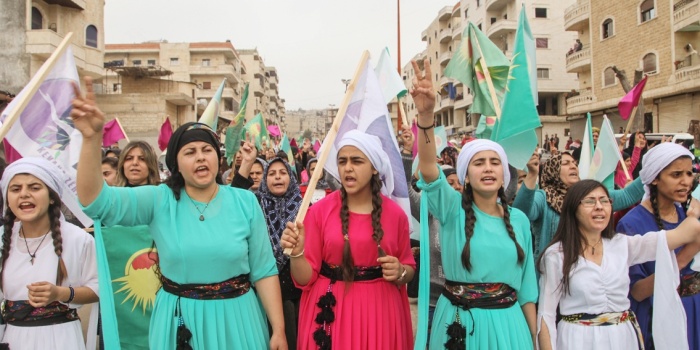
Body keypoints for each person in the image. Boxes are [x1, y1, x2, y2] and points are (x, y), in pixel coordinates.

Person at [70, 78, 287, 350]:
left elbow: (264, 271)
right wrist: (91, 139)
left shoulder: (244, 201)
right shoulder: (159, 199)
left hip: (239, 320)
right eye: (190, 152)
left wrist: (278, 329)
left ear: (217, 158)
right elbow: (95, 203)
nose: (200, 157)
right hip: (181, 324)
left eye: (207, 150)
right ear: (176, 164)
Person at [411, 58, 537, 349]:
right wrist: (426, 115)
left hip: (509, 328)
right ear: (466, 176)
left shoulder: (518, 220)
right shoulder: (452, 208)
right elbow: (429, 169)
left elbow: (527, 291)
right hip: (458, 326)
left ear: (505, 174)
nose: (488, 168)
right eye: (479, 163)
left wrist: (534, 339)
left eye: (495, 162)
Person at [280, 130, 415, 349]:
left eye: (357, 161)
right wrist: (296, 253)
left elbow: (409, 268)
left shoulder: (396, 215)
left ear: (374, 168)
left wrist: (399, 271)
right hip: (332, 314)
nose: (348, 168)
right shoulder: (319, 211)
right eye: (342, 161)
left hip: (380, 316)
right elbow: (305, 279)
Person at [537, 179, 700, 349]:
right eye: (590, 201)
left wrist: (692, 213)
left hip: (623, 338)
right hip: (578, 339)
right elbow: (546, 314)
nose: (599, 206)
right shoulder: (557, 255)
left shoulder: (622, 244)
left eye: (604, 201)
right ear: (573, 209)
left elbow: (677, 236)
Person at [0, 157, 98, 349]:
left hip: (61, 339)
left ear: (52, 196)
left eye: (34, 188)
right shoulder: (3, 238)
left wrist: (60, 293)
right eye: (16, 189)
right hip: (13, 338)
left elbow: (98, 288)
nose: (24, 194)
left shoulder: (77, 239)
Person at [617, 143, 700, 349]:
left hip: (695, 311)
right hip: (658, 318)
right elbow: (636, 291)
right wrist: (681, 258)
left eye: (689, 173)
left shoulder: (688, 215)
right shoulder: (631, 224)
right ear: (655, 177)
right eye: (676, 174)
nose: (685, 181)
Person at [513, 152, 645, 259]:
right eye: (565, 163)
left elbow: (627, 196)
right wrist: (532, 174)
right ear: (551, 170)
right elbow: (521, 212)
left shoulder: (591, 194)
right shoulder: (543, 198)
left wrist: (653, 168)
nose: (573, 166)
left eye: (575, 163)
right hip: (553, 276)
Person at [254, 156, 303, 349]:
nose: (277, 177)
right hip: (265, 287)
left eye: (283, 173)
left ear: (291, 177)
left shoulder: (305, 207)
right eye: (272, 173)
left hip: (296, 290)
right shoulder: (256, 206)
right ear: (265, 179)